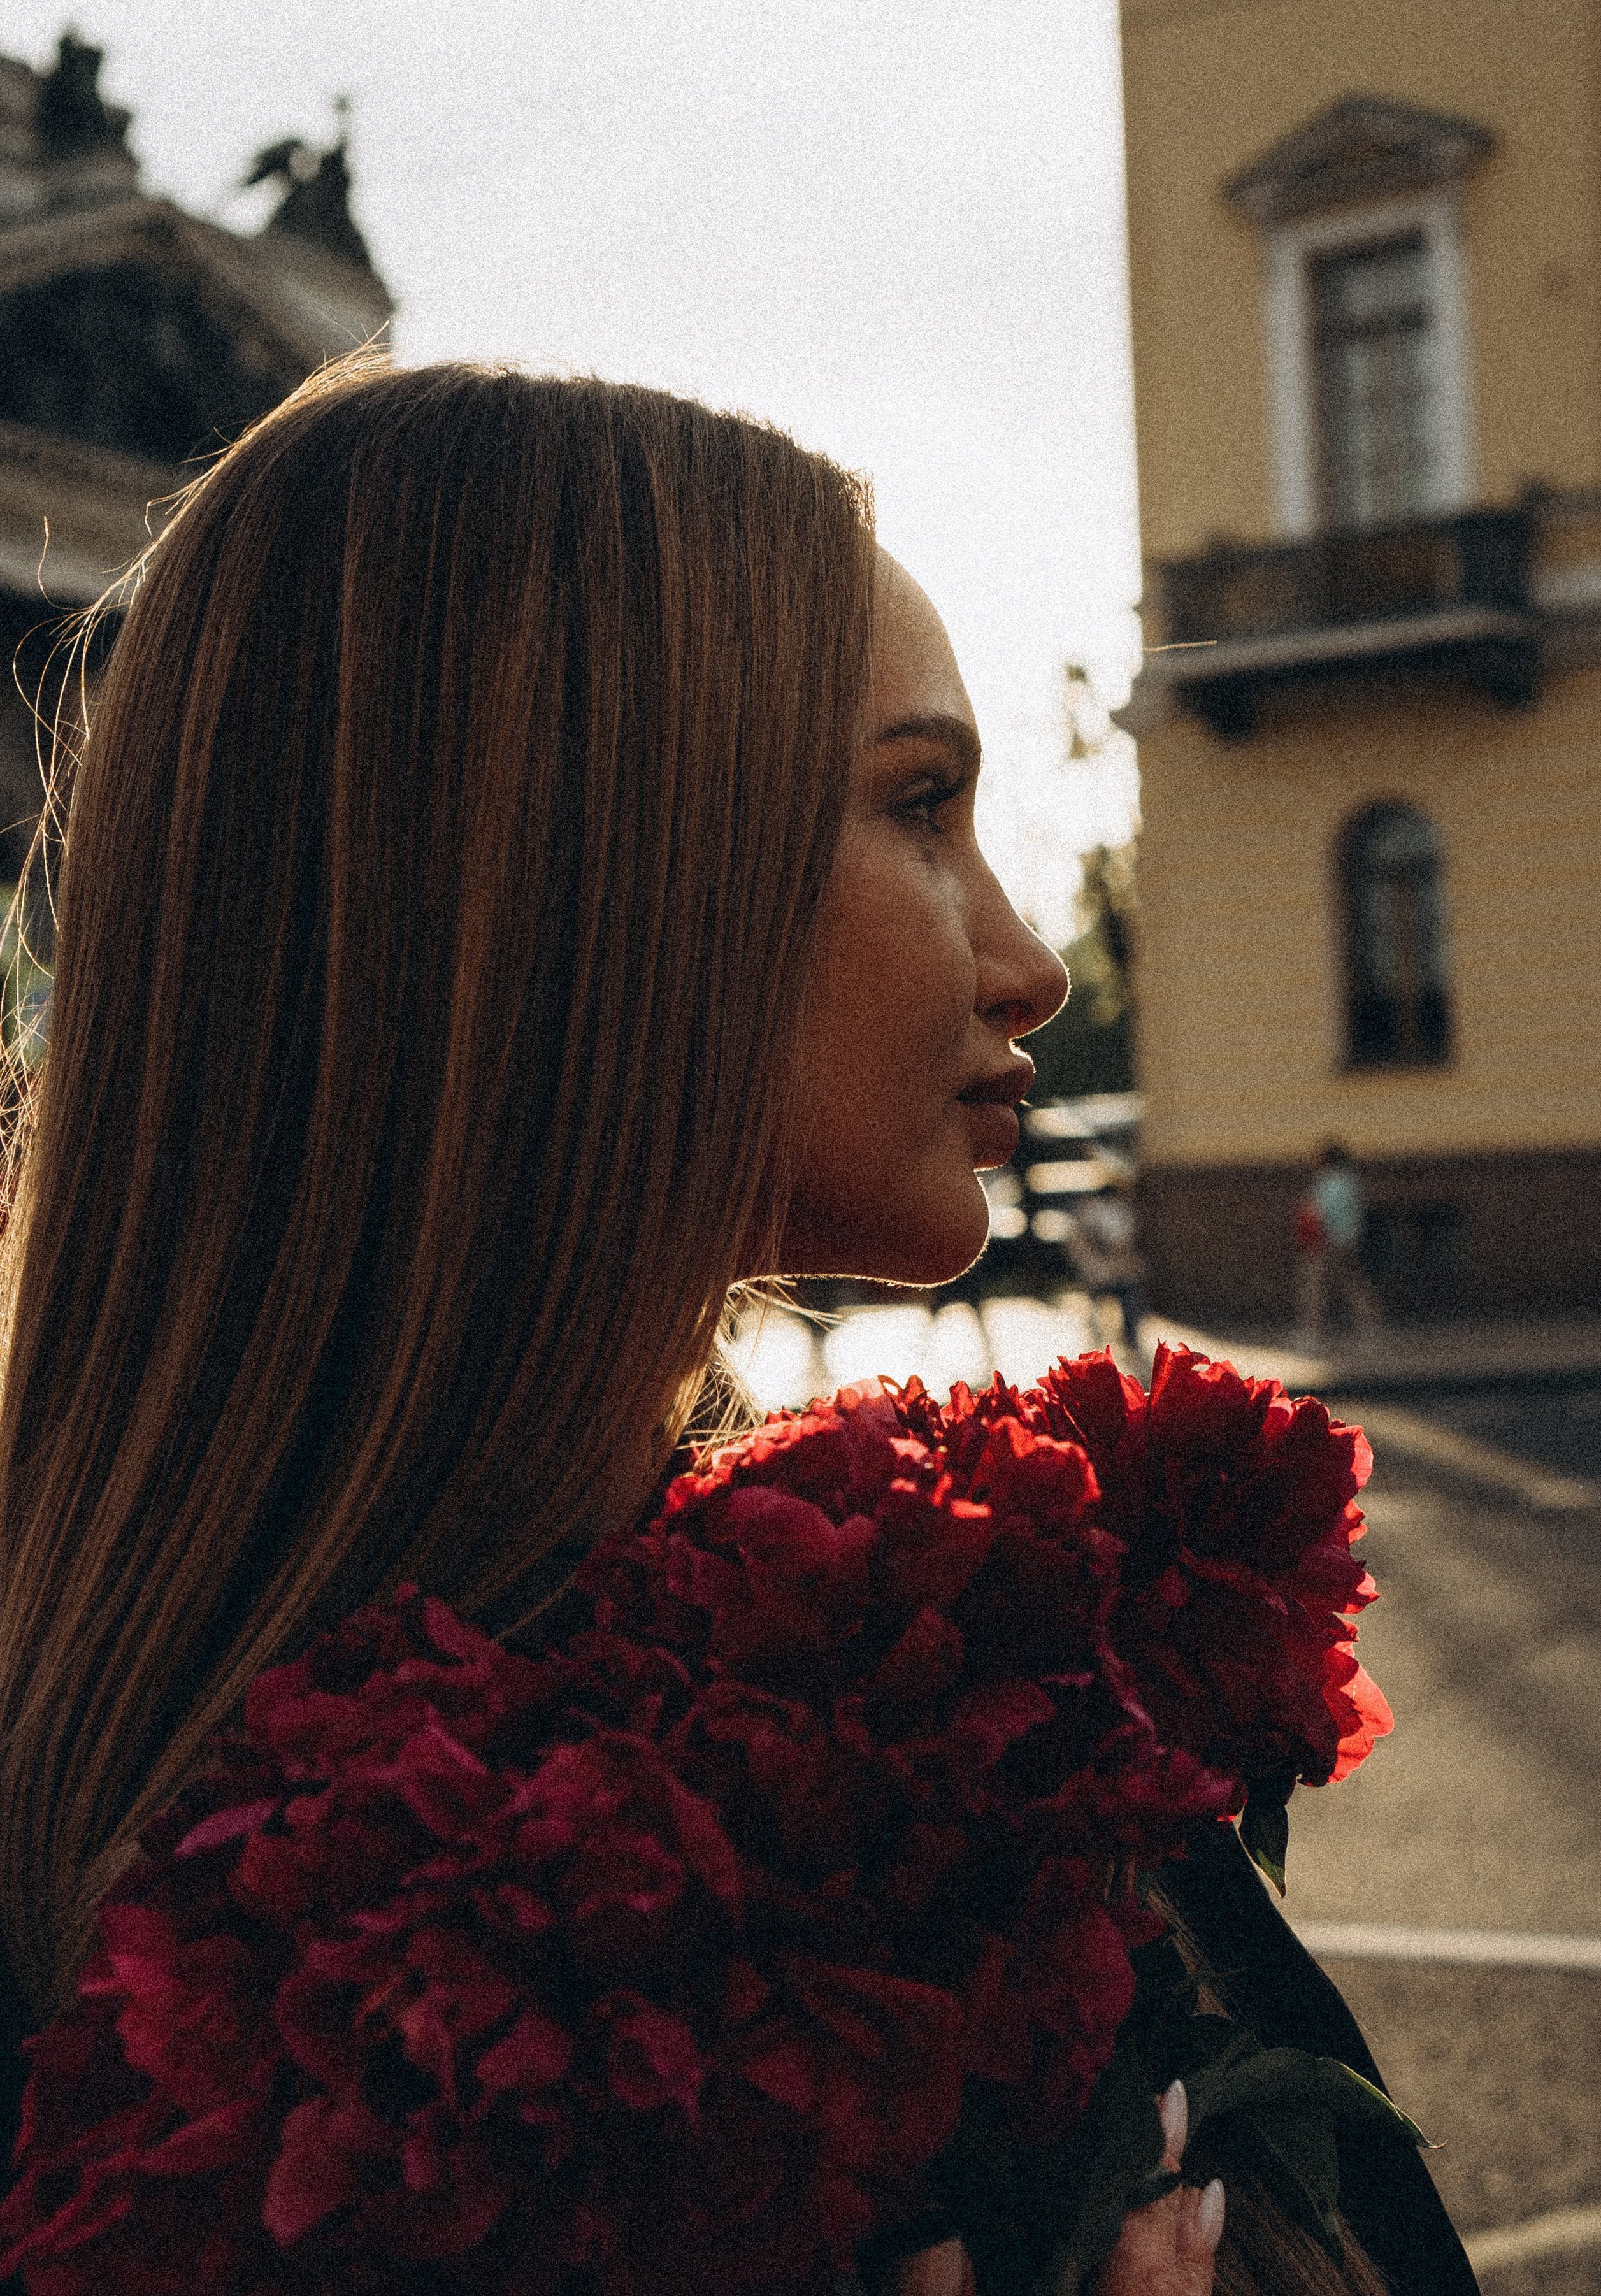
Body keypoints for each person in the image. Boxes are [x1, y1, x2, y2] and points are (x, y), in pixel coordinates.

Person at [0, 359, 1467, 2293]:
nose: (1028, 964)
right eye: (921, 806)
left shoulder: (152, 1780)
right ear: (575, 883)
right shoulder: (840, 1769)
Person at [1293, 1143, 1383, 1347]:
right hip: (1350, 1240)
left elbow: (1318, 1212)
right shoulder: (1351, 1181)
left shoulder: (1328, 1183)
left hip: (1326, 1241)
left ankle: (1311, 1330)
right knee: (1352, 1283)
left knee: (1315, 1285)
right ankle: (1370, 1327)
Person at [1066, 1170, 1147, 1366]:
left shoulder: (1124, 1209)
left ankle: (1129, 1342)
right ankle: (1095, 1351)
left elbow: (1129, 1240)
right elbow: (1081, 1243)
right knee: (1097, 1311)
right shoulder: (1090, 1210)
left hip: (1121, 1270)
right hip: (1099, 1270)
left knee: (1129, 1306)